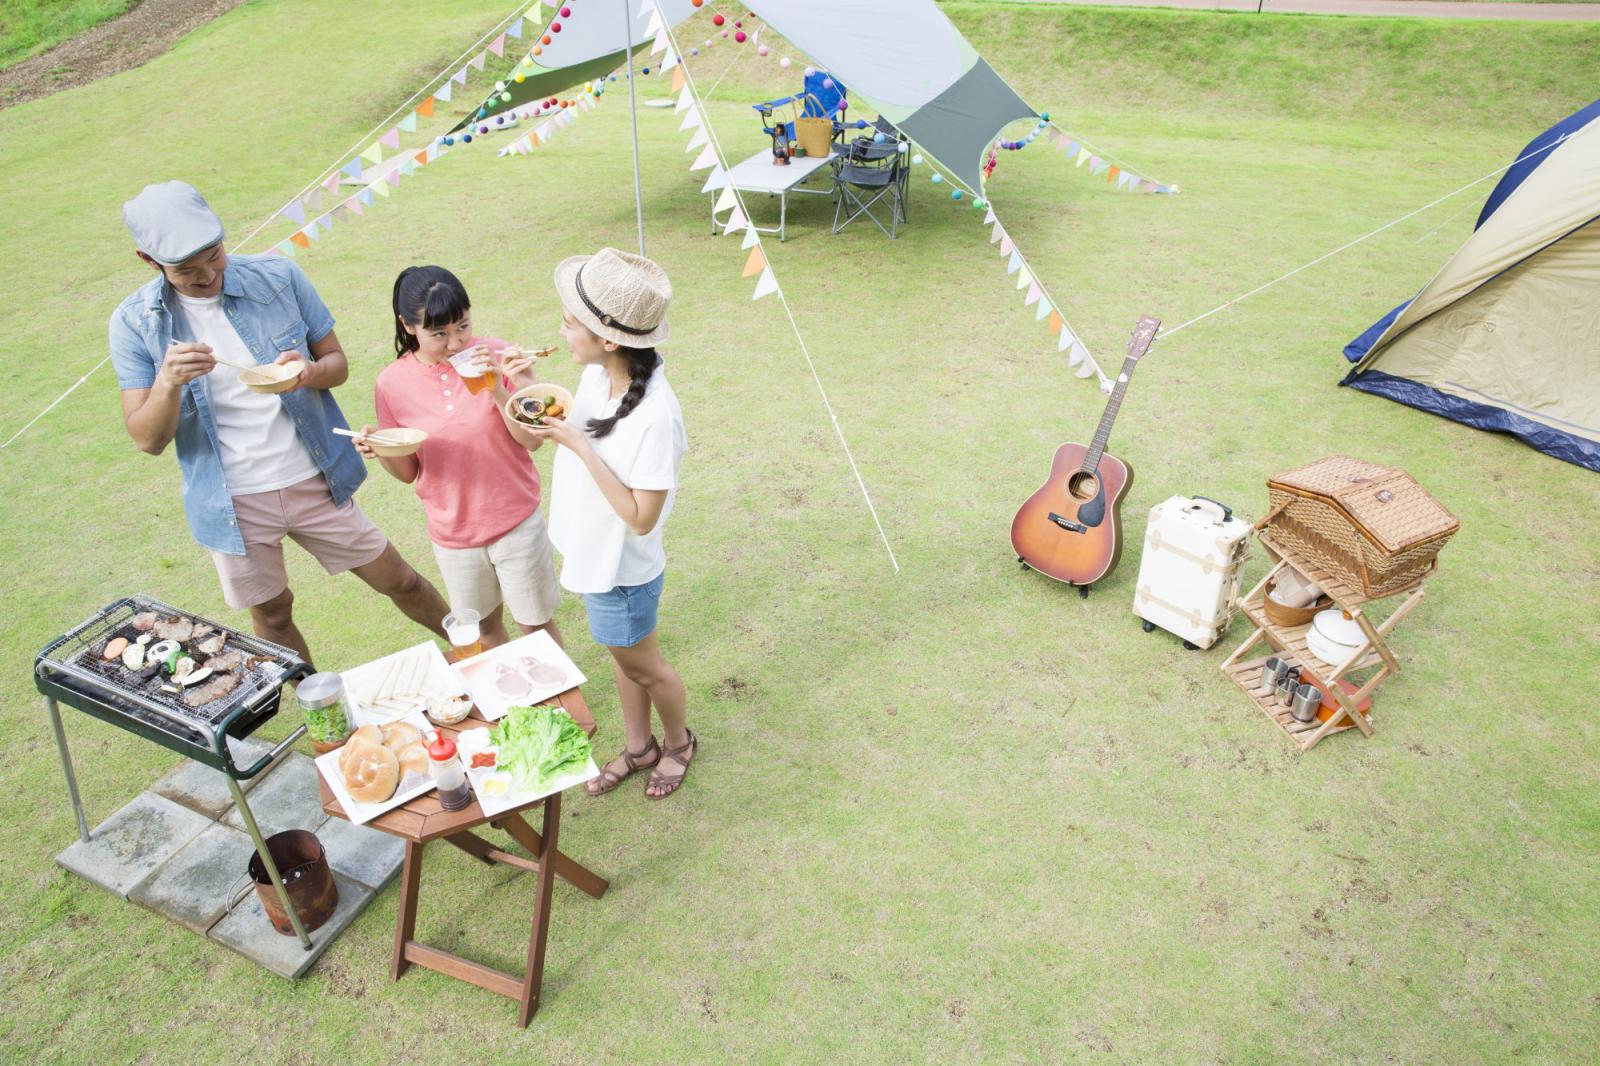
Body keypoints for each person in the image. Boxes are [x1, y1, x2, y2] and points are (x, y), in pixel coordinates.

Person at [109, 180, 449, 666]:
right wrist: (168, 381)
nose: (208, 274)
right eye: (187, 270)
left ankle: (474, 648)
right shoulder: (134, 322)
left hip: (313, 477)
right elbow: (147, 439)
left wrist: (307, 373)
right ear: (149, 261)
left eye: (215, 254)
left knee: (398, 578)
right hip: (233, 503)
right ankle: (321, 714)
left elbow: (337, 364)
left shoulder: (278, 278)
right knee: (273, 616)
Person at [509, 248, 693, 799]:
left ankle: (679, 743)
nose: (562, 330)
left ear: (609, 339)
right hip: (593, 554)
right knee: (624, 659)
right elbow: (553, 430)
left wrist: (581, 448)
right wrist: (522, 385)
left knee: (647, 668)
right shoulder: (597, 376)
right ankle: (639, 748)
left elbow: (642, 518)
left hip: (623, 568)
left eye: (571, 321)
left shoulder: (656, 417)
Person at [354, 265, 563, 650]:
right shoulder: (391, 383)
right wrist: (381, 449)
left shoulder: (496, 354)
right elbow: (407, 472)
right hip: (454, 535)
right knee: (485, 631)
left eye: (462, 326)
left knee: (536, 628)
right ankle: (515, 709)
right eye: (439, 334)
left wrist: (497, 389)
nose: (455, 343)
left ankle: (562, 708)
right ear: (408, 326)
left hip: (516, 520)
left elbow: (531, 443)